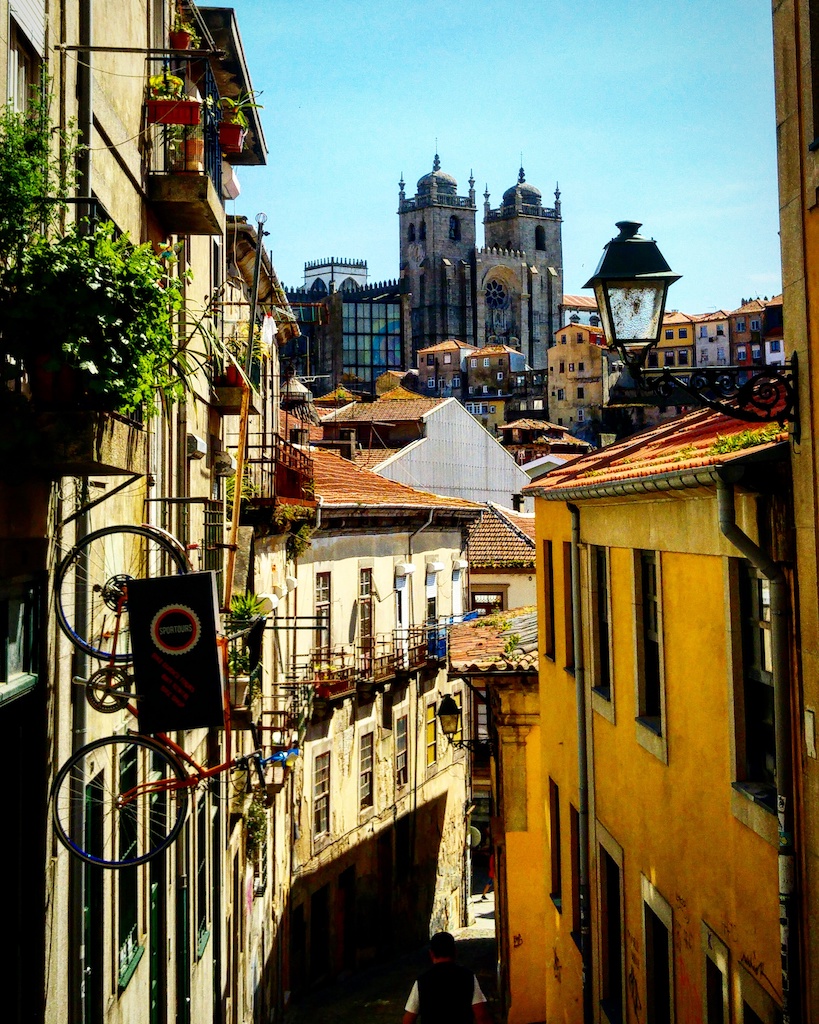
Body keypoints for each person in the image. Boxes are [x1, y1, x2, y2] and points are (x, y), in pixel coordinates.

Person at [402, 931, 492, 1024]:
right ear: (455, 952)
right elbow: (481, 1016)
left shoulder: (422, 980)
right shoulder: (468, 977)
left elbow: (409, 1019)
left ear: (431, 954)